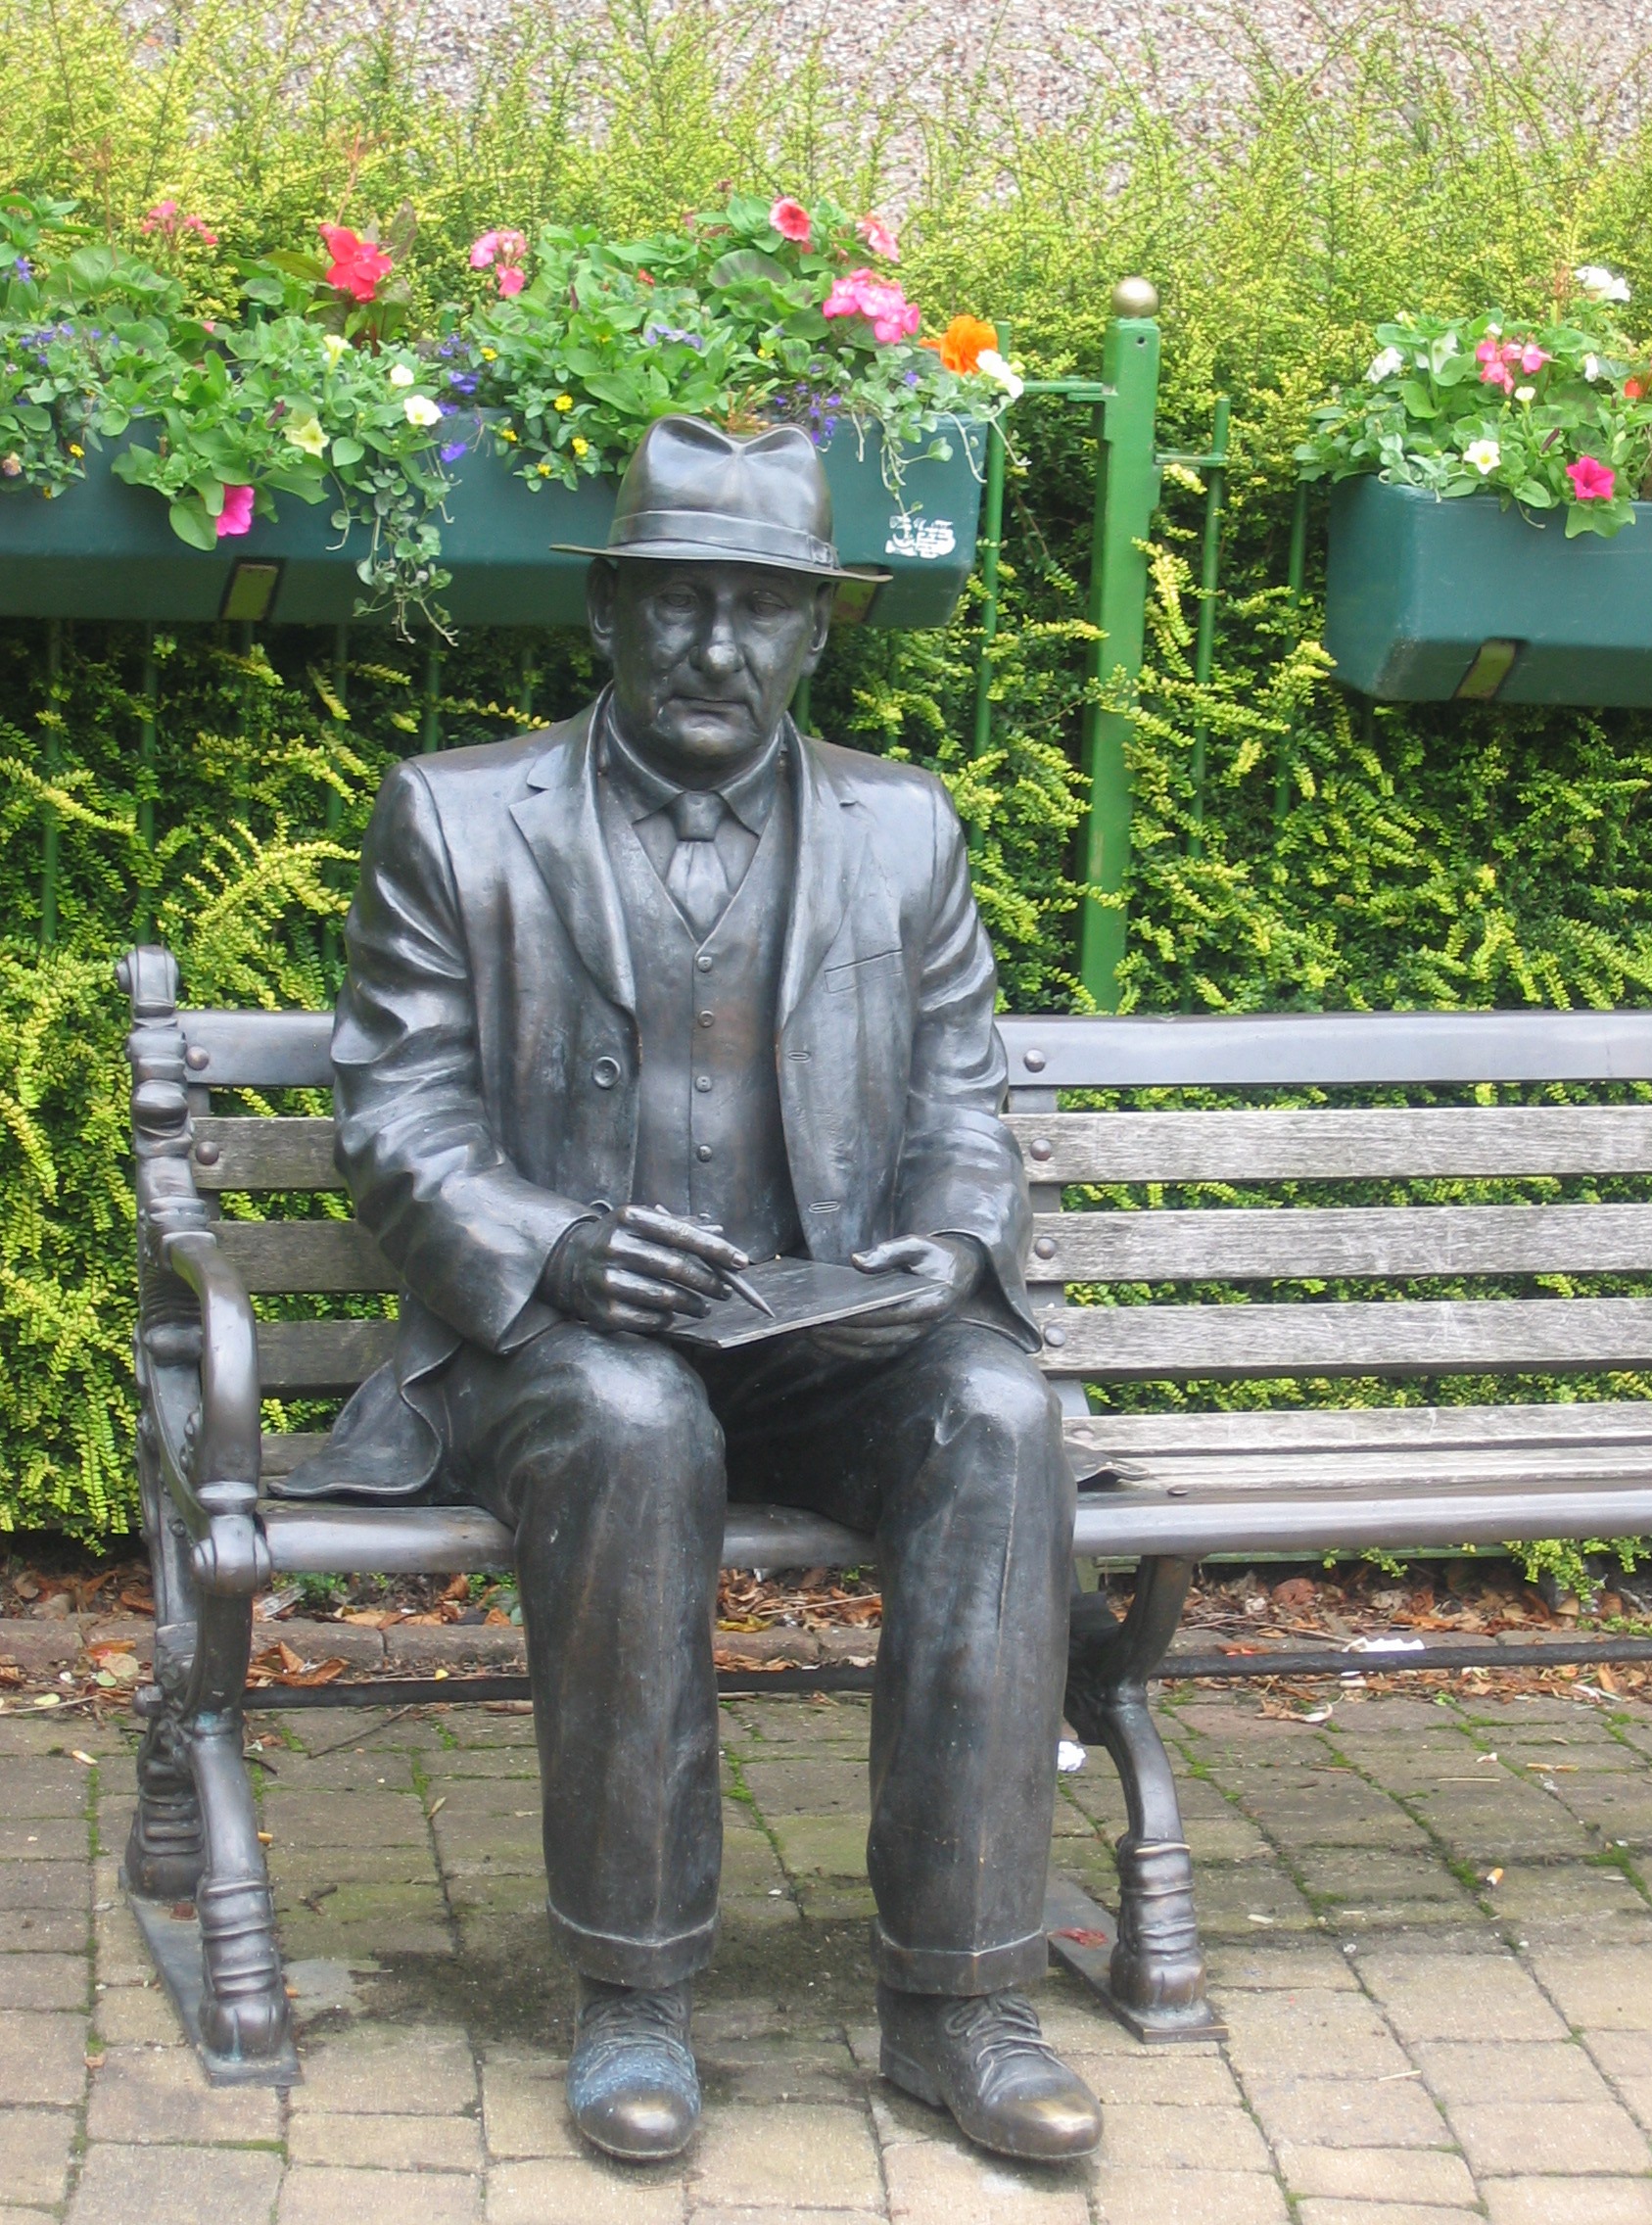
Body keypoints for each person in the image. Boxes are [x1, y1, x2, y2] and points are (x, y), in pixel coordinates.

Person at [282, 415, 1101, 2164]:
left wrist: (948, 1249)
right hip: (556, 1350)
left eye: (758, 609)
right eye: (677, 605)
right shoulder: (453, 816)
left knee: (997, 1407)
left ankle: (961, 1995)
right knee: (638, 1420)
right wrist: (561, 1243)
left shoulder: (901, 828)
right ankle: (636, 1989)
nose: (715, 649)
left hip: (816, 1338)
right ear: (612, 618)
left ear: (818, 632)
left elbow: (966, 1103)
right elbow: (399, 1119)